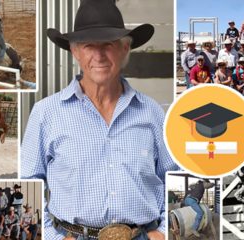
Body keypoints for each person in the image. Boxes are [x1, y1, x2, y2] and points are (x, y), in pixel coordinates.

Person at [21, 1, 179, 239]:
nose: (99, 55)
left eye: (108, 44)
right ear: (74, 51)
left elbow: (174, 177)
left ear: (125, 48)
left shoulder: (152, 112)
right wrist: (51, 236)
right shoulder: (46, 113)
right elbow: (28, 182)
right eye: (88, 45)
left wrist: (164, 232)